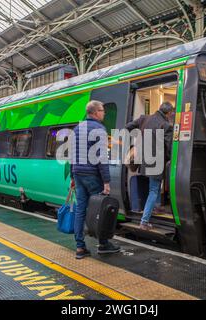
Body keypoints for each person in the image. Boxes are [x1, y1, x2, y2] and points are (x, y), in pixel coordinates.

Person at [70, 100, 121, 259]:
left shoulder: (77, 128)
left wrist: (72, 176)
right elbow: (101, 157)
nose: (104, 113)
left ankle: (80, 247)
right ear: (95, 112)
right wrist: (106, 181)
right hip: (92, 175)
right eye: (102, 110)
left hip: (78, 174)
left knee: (80, 210)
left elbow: (72, 154)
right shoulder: (99, 129)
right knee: (100, 209)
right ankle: (104, 244)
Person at [125, 102, 174, 230]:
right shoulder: (166, 125)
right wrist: (172, 159)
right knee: (154, 189)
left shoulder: (143, 119)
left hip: (144, 161)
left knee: (155, 187)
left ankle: (156, 206)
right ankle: (144, 221)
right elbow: (170, 148)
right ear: (168, 113)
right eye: (171, 113)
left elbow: (128, 127)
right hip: (156, 163)